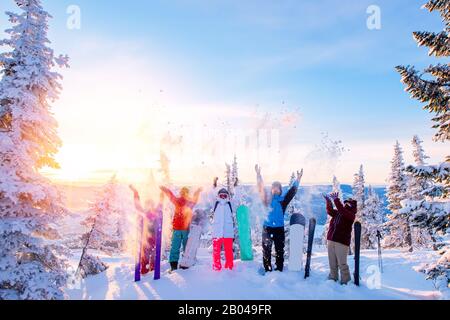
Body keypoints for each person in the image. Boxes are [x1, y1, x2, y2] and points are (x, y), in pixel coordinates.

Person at [255, 165, 304, 273]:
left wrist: (298, 179)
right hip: (267, 228)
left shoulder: (283, 201)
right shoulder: (266, 199)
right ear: (271, 189)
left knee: (279, 250)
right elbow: (260, 189)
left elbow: (292, 192)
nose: (275, 189)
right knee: (266, 251)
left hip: (278, 229)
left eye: (278, 188)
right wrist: (258, 175)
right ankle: (267, 269)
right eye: (274, 187)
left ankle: (279, 270)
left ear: (280, 190)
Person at [160, 186, 202, 271]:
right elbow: (195, 198)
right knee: (185, 247)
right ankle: (181, 263)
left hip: (180, 229)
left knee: (177, 247)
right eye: (183, 193)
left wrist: (164, 189)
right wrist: (198, 191)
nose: (183, 194)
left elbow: (170, 195)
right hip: (182, 229)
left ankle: (175, 264)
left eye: (184, 193)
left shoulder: (180, 201)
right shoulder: (188, 202)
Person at [323, 192, 357, 285]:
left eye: (349, 203)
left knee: (342, 264)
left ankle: (346, 281)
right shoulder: (338, 212)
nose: (347, 204)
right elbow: (330, 211)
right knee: (332, 263)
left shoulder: (350, 215)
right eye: (346, 203)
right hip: (331, 240)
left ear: (353, 207)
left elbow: (342, 210)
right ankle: (333, 278)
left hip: (341, 242)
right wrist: (328, 202)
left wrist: (336, 200)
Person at [129, 185, 164, 274]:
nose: (149, 206)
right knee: (145, 253)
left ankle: (151, 267)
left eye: (150, 204)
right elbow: (137, 204)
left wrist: (162, 194)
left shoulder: (154, 211)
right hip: (145, 236)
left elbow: (160, 203)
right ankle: (144, 268)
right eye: (148, 205)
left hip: (153, 236)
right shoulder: (143, 212)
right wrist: (135, 192)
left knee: (152, 252)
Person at [211, 188, 235, 271]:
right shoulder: (216, 204)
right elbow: (210, 195)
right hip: (217, 231)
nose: (223, 197)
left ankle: (229, 267)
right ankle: (216, 267)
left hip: (228, 232)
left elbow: (236, 197)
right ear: (218, 196)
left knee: (229, 251)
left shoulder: (230, 204)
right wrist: (213, 184)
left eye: (225, 195)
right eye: (221, 195)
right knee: (216, 251)